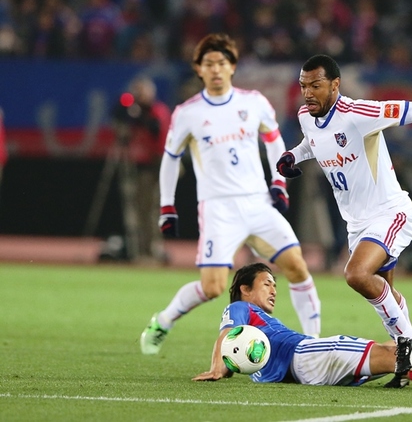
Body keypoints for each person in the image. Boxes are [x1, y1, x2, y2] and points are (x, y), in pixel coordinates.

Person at [275, 54, 412, 387]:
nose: (308, 93)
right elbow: (314, 143)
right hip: (357, 225)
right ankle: (410, 364)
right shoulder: (306, 116)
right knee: (388, 295)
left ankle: (410, 342)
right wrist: (294, 155)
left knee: (357, 274)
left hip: (390, 213)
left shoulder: (358, 113)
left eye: (315, 85)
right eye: (303, 86)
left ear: (335, 85)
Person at [140, 33, 321, 355]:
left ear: (233, 66)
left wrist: (278, 181)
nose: (216, 69)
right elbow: (170, 158)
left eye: (222, 63)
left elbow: (274, 141)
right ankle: (163, 321)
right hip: (219, 209)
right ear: (199, 69)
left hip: (257, 202)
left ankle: (314, 344)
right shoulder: (188, 113)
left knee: (297, 266)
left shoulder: (253, 102)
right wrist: (167, 205)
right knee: (213, 287)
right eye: (208, 63)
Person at [193, 262, 412, 392]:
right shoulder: (239, 308)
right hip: (307, 355)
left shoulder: (255, 329)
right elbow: (226, 338)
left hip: (305, 370)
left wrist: (225, 367)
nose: (274, 289)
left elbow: (235, 349)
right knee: (401, 352)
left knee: (397, 351)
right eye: (267, 283)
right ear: (245, 289)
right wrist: (217, 368)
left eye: (275, 284)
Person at [110, 76, 172, 263]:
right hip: (138, 165)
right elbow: (117, 117)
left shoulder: (157, 110)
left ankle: (151, 250)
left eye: (142, 92)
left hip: (154, 166)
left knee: (148, 210)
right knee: (138, 210)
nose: (138, 96)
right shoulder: (136, 111)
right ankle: (140, 248)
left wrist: (139, 115)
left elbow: (155, 129)